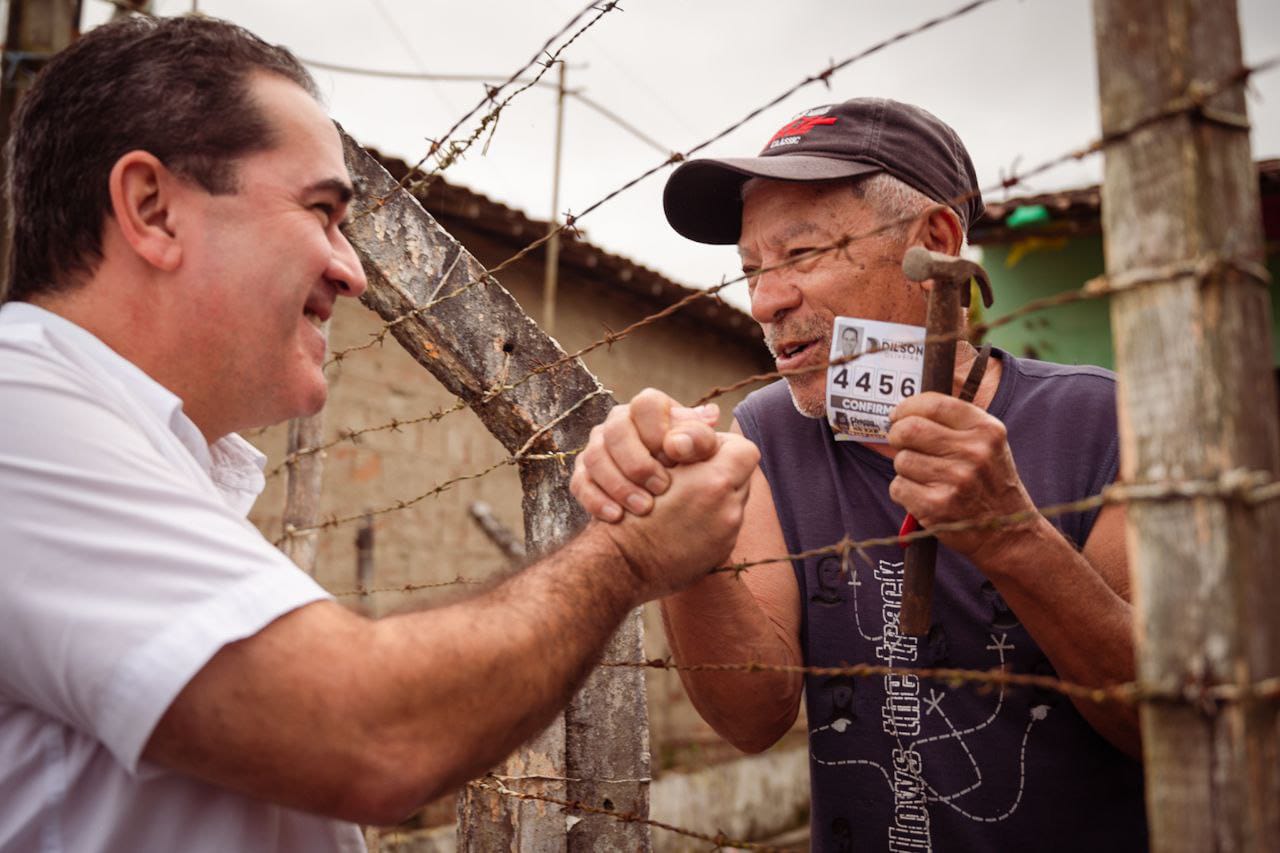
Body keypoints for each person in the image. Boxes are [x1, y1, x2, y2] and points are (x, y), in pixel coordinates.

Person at [0, 16, 759, 852]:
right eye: (321, 211)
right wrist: (626, 557)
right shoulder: (19, 414)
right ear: (152, 209)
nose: (351, 270)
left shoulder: (133, 444)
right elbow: (370, 732)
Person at [572, 98, 1148, 850]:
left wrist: (1013, 538)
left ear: (935, 244)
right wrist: (687, 544)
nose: (765, 301)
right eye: (751, 269)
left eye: (802, 255)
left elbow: (1161, 719)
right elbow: (752, 717)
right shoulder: (768, 432)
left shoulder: (1098, 422)